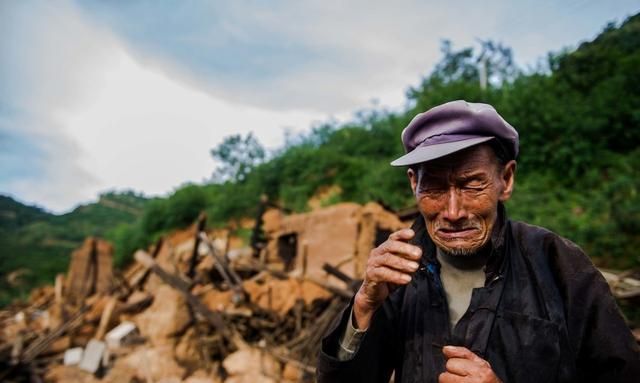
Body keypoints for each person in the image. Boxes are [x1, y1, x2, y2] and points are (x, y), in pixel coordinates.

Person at [316, 100, 640, 382]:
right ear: (414, 184)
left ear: (506, 179)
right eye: (435, 188)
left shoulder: (558, 264)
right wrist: (363, 306)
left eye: (472, 185)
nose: (453, 211)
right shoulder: (399, 269)